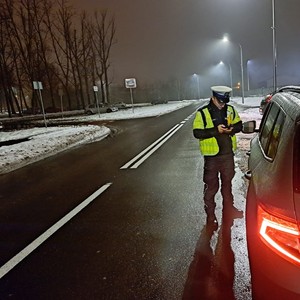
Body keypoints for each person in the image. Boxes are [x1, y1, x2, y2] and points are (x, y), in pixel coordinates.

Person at [193, 86, 243, 227]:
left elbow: (239, 125)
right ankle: (210, 216)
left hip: (227, 155)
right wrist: (216, 130)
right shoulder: (202, 113)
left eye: (224, 101)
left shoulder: (230, 110)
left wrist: (232, 128)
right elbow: (197, 133)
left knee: (227, 185)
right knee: (211, 187)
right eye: (220, 101)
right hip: (212, 158)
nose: (223, 104)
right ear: (213, 98)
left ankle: (229, 209)